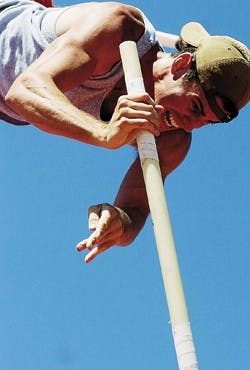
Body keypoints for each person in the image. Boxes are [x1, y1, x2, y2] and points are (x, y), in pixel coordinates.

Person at [1, 1, 249, 262]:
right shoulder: (118, 29)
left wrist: (120, 222)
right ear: (180, 66)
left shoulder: (172, 138)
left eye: (206, 122)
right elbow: (25, 91)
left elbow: (135, 210)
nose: (189, 124)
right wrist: (103, 133)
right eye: (196, 107)